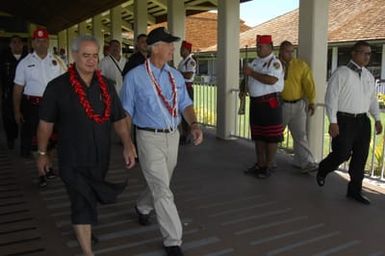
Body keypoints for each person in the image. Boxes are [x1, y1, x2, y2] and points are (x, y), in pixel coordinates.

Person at [36, 35, 136, 256]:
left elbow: (119, 119)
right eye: (85, 55)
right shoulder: (57, 87)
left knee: (89, 196)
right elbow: (45, 125)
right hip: (72, 159)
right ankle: (87, 252)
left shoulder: (106, 87)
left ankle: (85, 227)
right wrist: (42, 154)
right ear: (73, 56)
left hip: (101, 158)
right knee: (81, 201)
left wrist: (128, 143)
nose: (91, 61)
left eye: (94, 55)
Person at [120, 27, 203, 256]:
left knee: (160, 183)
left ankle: (142, 205)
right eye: (169, 44)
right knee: (163, 189)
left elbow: (185, 104)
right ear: (155, 48)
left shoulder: (175, 75)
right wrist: (128, 143)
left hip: (172, 135)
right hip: (147, 137)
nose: (173, 48)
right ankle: (173, 241)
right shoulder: (135, 77)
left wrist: (194, 125)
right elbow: (125, 113)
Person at [316, 40, 382, 205]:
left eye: (369, 53)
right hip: (344, 120)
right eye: (363, 53)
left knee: (360, 157)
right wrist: (332, 122)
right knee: (342, 153)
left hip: (362, 121)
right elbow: (331, 98)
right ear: (354, 53)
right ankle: (323, 169)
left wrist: (378, 118)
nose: (367, 56)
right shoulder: (341, 73)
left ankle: (354, 191)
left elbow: (372, 99)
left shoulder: (368, 75)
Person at [13, 28, 66, 187]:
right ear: (33, 42)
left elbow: (66, 84)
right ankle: (42, 173)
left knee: (51, 142)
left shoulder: (57, 61)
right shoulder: (24, 63)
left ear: (48, 42)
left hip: (54, 106)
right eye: (38, 41)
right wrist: (17, 111)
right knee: (38, 143)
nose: (41, 43)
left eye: (44, 41)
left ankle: (48, 168)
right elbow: (17, 90)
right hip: (33, 108)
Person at [243, 35, 284, 179]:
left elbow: (271, 80)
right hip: (256, 103)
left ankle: (268, 165)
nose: (258, 48)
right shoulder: (255, 62)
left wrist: (251, 73)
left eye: (260, 46)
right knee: (258, 136)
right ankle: (260, 164)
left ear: (270, 46)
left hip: (270, 104)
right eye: (257, 46)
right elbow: (249, 78)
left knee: (271, 137)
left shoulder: (274, 63)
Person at [278, 40, 317, 173]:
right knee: (274, 135)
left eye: (291, 51)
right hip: (280, 105)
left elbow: (309, 84)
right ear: (281, 51)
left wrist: (311, 100)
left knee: (301, 135)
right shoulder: (274, 65)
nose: (290, 54)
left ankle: (306, 163)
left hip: (298, 105)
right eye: (287, 51)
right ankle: (267, 162)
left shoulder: (301, 65)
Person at [0, 35, 27, 149]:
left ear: (22, 44)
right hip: (8, 92)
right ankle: (11, 138)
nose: (17, 44)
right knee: (9, 117)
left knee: (27, 117)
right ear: (10, 45)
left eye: (19, 42)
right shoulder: (3, 57)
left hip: (25, 93)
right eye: (14, 42)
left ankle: (26, 141)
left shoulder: (28, 57)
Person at [177, 40, 197, 144]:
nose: (180, 51)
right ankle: (184, 134)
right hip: (181, 88)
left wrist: (177, 74)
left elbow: (188, 75)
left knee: (186, 110)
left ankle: (188, 136)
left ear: (187, 50)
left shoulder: (191, 61)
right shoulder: (182, 61)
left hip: (187, 88)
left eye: (182, 49)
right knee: (180, 112)